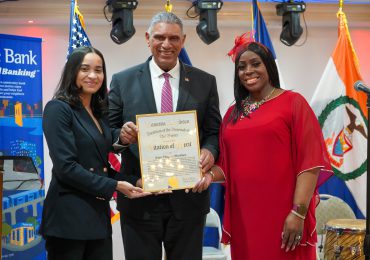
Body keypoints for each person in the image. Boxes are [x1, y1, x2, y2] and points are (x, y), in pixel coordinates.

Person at [203, 34, 333, 259]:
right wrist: (201, 174)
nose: (248, 71)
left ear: (269, 66)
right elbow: (226, 165)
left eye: (256, 64)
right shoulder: (233, 114)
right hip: (245, 215)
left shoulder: (293, 103)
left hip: (284, 211)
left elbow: (310, 163)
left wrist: (298, 213)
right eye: (242, 67)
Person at [108, 12, 222, 260]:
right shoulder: (122, 81)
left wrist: (209, 151)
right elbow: (108, 132)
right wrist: (122, 137)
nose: (166, 44)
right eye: (159, 37)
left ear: (183, 40)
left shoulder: (205, 82)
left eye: (173, 38)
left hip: (189, 201)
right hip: (140, 199)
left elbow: (213, 132)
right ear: (148, 38)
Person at [40, 46, 149, 260]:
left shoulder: (99, 112)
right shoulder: (58, 108)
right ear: (73, 72)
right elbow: (66, 168)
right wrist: (116, 186)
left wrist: (135, 181)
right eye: (85, 69)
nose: (93, 75)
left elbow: (99, 165)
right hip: (68, 219)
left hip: (97, 216)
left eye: (98, 70)